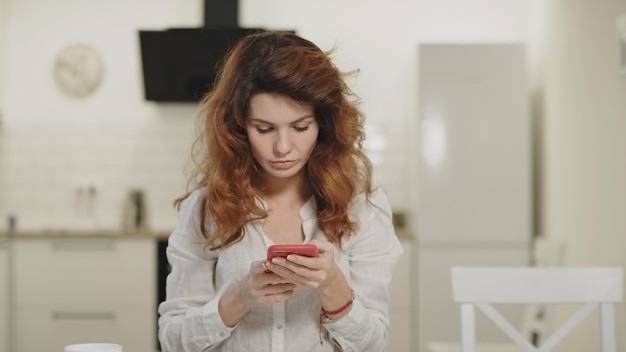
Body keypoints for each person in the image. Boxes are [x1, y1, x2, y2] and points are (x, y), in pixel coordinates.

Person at [158, 31, 404, 352]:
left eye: (301, 127)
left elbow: (374, 343)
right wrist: (239, 297)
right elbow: (173, 340)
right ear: (238, 127)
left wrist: (333, 287)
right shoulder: (204, 208)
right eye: (264, 129)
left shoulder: (364, 207)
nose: (283, 147)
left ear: (323, 124)